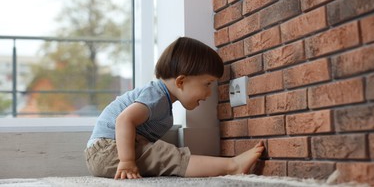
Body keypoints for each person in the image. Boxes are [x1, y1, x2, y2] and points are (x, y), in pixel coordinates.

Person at [84, 36, 265, 179]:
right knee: (169, 157)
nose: (209, 93)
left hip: (107, 149)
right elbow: (124, 119)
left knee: (163, 155)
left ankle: (231, 165)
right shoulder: (156, 96)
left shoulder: (161, 99)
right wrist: (126, 161)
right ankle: (232, 166)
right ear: (181, 81)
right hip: (106, 150)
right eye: (208, 84)